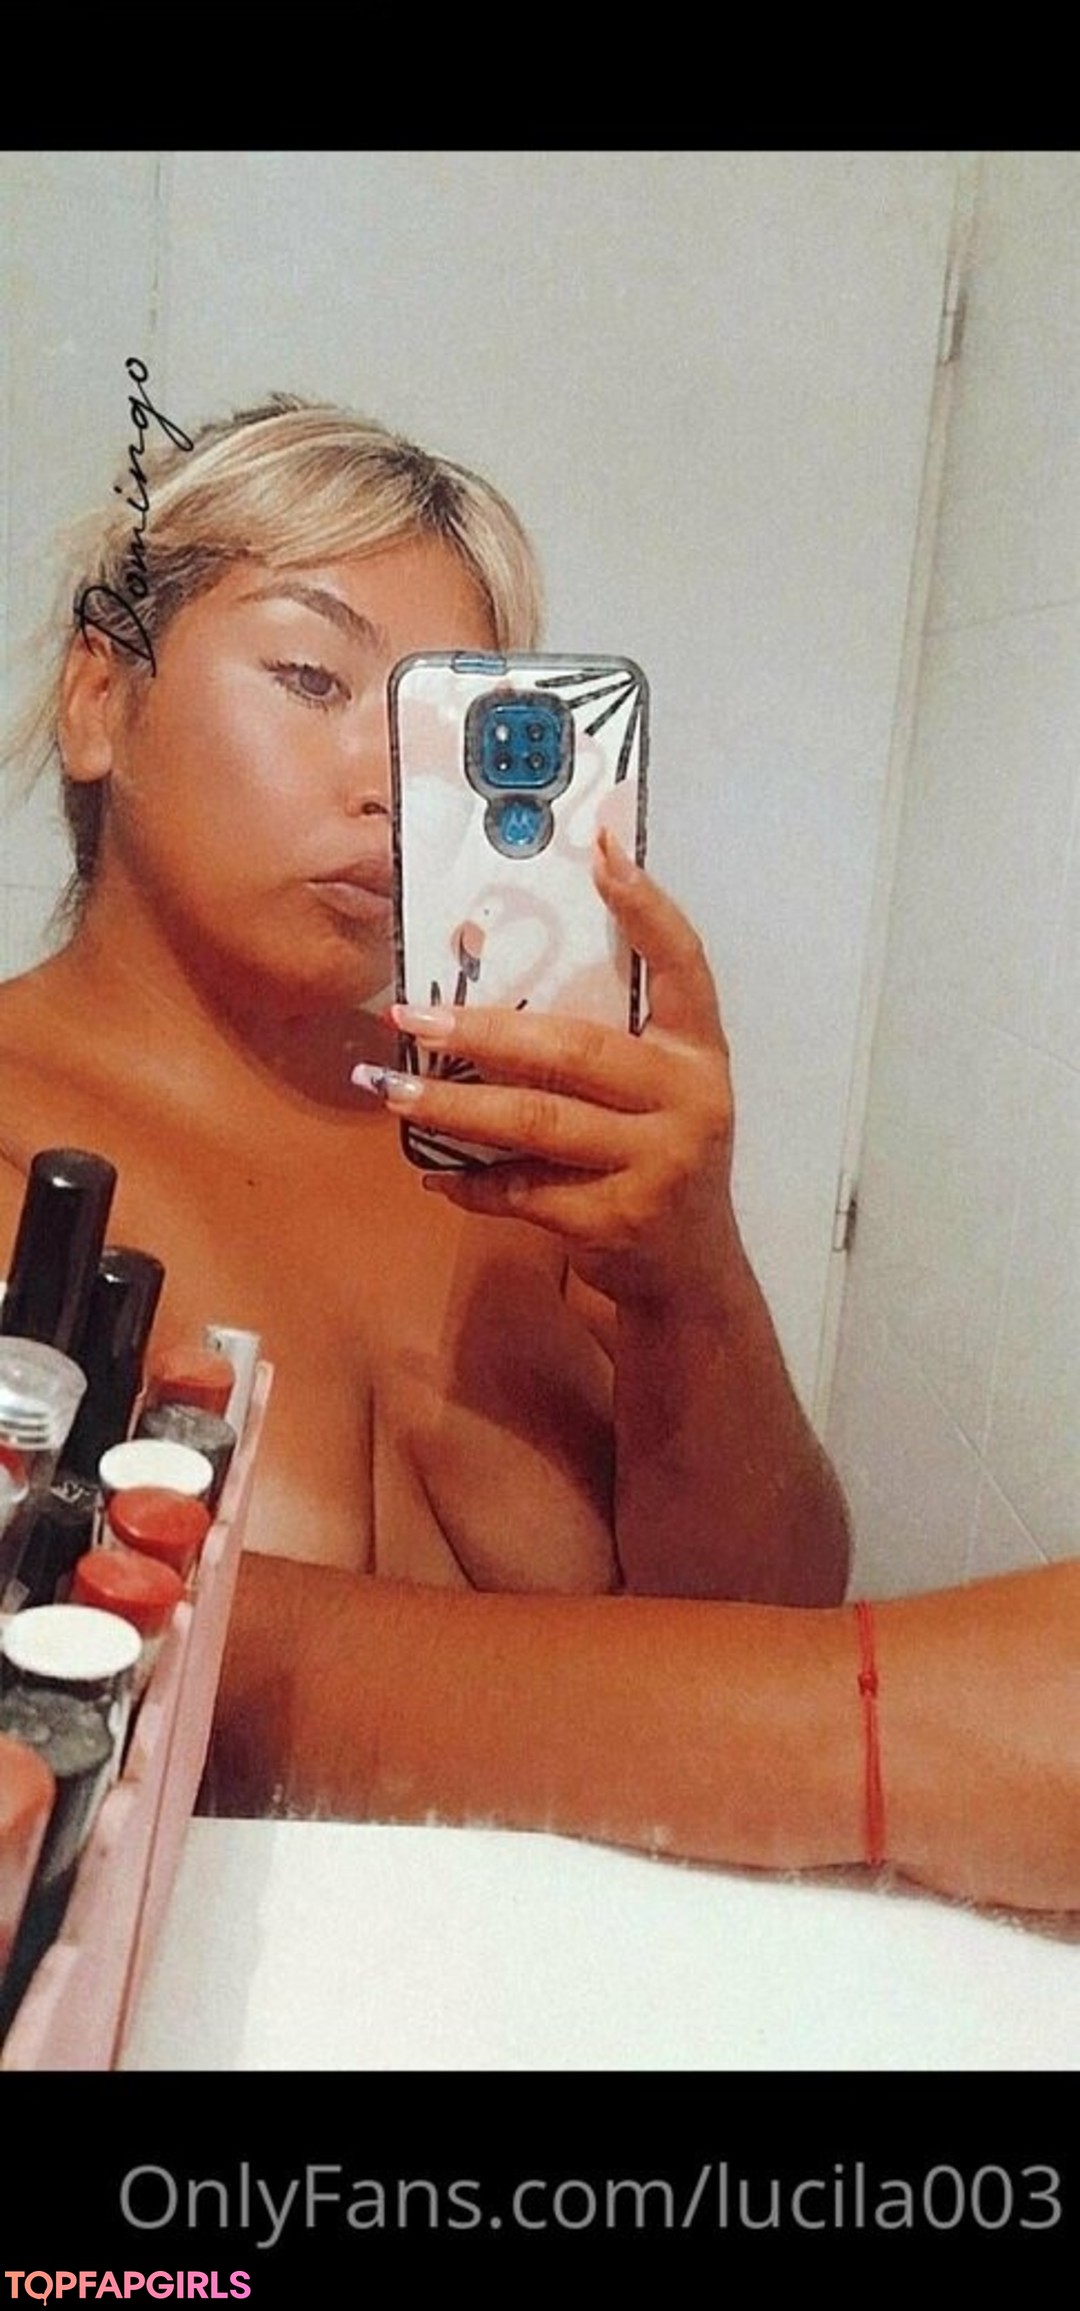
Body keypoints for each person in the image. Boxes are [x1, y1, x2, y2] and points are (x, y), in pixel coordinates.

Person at [0, 397, 1075, 1917]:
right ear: (100, 700)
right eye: (310, 678)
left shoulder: (502, 1126)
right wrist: (893, 1728)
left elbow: (761, 1601)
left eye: (433, 728)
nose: (386, 784)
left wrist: (691, 1277)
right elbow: (96, 1651)